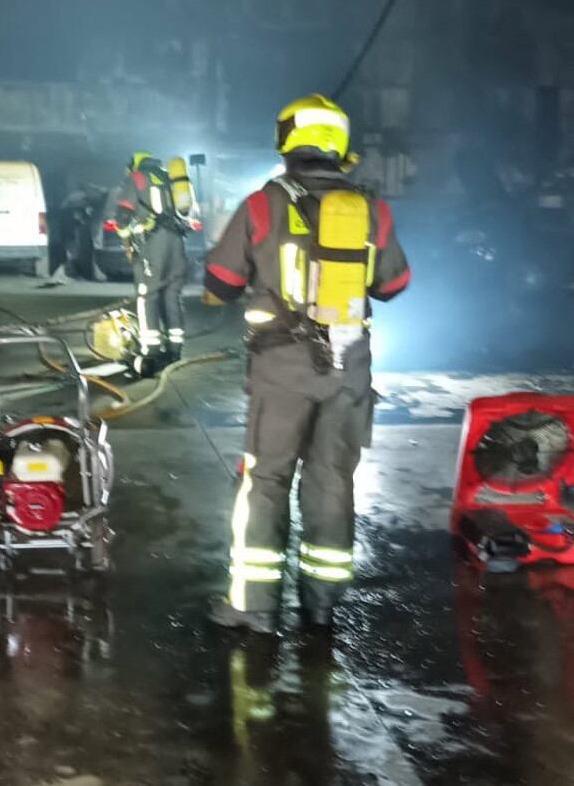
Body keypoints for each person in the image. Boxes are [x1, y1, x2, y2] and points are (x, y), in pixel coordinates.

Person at [203, 94, 412, 633]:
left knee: (266, 481)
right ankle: (321, 606)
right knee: (331, 482)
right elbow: (394, 284)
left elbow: (221, 282)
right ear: (340, 145)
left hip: (281, 369)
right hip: (349, 370)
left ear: (287, 140)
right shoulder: (372, 209)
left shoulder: (260, 205)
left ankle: (255, 606)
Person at [113, 153, 188, 375]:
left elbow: (123, 215)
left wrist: (126, 240)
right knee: (171, 295)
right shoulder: (169, 177)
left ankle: (150, 352)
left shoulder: (137, 177)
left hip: (153, 245)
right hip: (177, 242)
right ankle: (174, 350)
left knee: (147, 295)